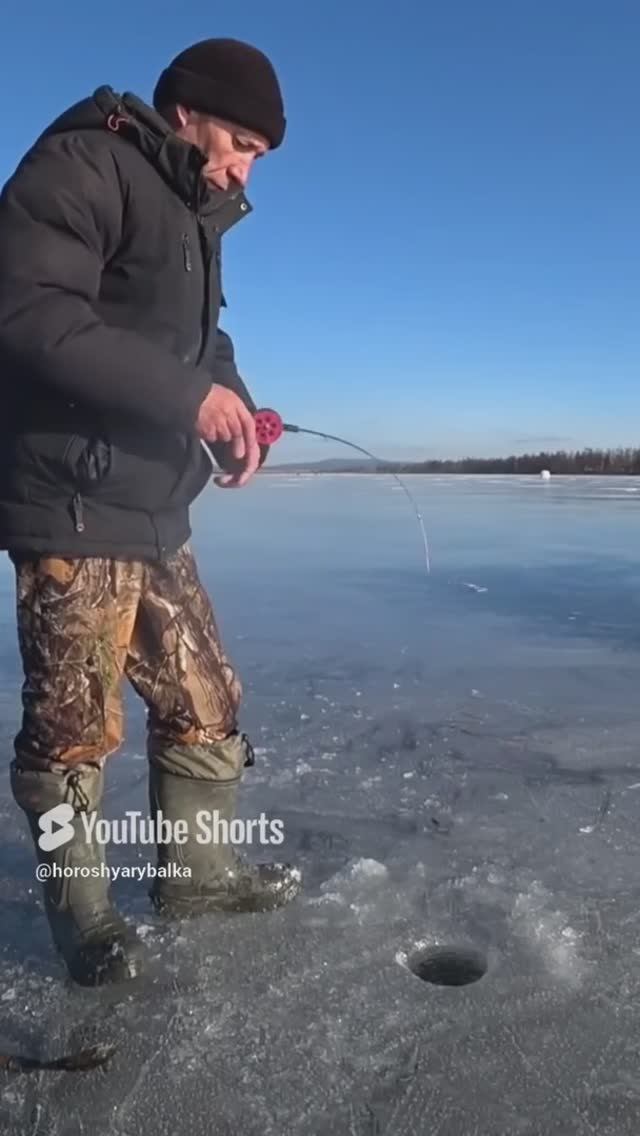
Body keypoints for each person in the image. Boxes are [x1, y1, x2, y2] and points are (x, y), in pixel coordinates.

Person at [0, 38, 302, 988]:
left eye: (258, 154)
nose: (245, 168)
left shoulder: (193, 215)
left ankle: (199, 881)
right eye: (241, 142)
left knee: (205, 699)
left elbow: (205, 343)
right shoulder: (86, 162)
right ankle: (86, 924)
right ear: (189, 111)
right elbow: (29, 312)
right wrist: (185, 399)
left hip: (152, 503)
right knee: (71, 730)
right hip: (73, 500)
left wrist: (231, 415)